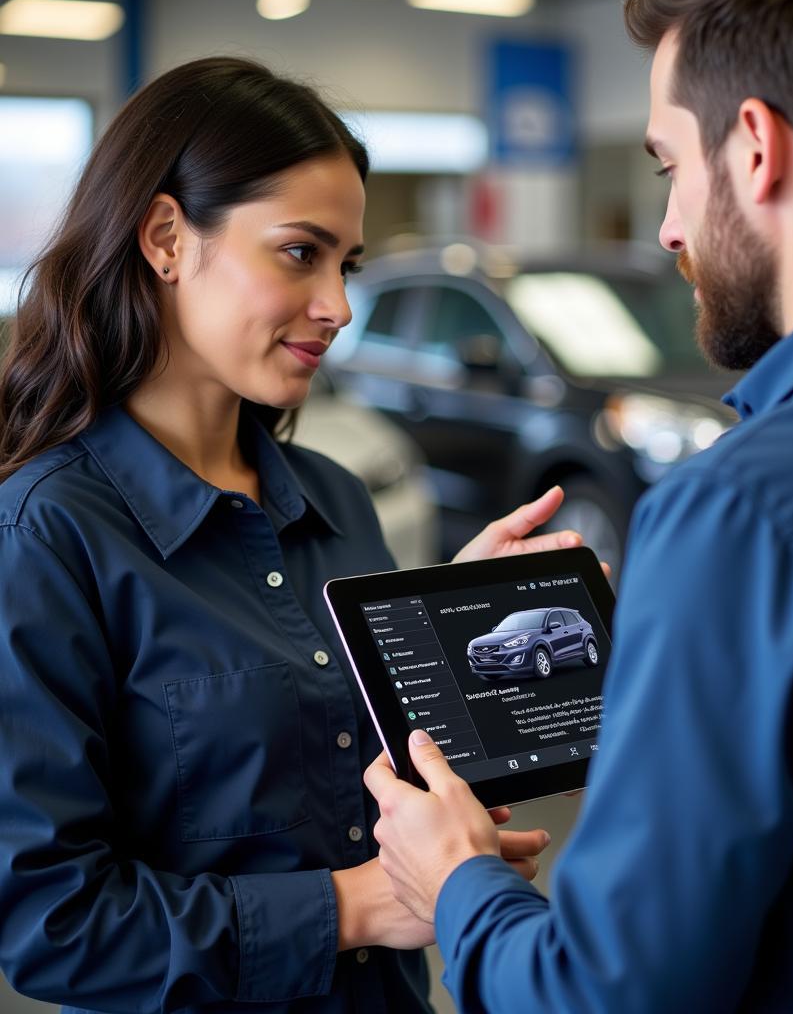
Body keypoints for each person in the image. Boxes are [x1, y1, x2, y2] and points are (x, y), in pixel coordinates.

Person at [365, 0, 793, 1011]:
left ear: (755, 146)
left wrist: (457, 880)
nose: (669, 225)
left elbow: (602, 996)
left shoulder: (745, 511)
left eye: (668, 165)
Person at [0, 56, 564, 1013]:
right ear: (168, 237)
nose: (339, 306)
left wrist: (444, 633)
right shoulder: (45, 535)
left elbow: (352, 776)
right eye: (300, 253)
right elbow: (50, 924)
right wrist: (357, 906)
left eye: (346, 264)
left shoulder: (336, 497)